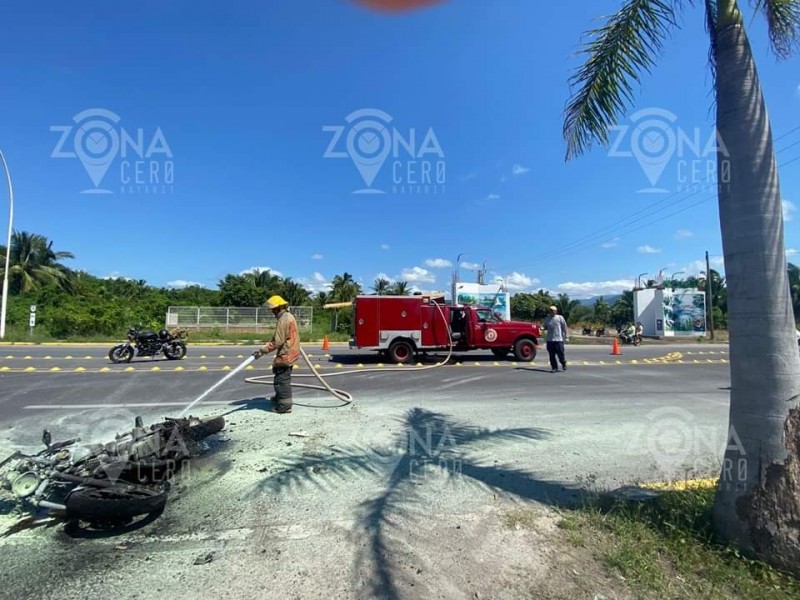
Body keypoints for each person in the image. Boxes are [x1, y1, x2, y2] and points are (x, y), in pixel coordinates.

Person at [252, 295, 301, 414]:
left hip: (287, 353)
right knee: (280, 375)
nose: (272, 312)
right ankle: (279, 398)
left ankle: (285, 405)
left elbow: (277, 342)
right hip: (291, 351)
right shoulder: (288, 316)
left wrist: (262, 350)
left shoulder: (283, 320)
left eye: (273, 309)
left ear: (278, 308)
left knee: (281, 379)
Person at [544, 305, 569, 373]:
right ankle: (554, 367)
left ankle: (563, 363)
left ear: (556, 311)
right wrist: (542, 328)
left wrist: (566, 336)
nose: (552, 312)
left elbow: (565, 327)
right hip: (550, 340)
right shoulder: (547, 318)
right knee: (551, 355)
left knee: (561, 354)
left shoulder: (560, 318)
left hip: (558, 339)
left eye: (553, 310)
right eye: (550, 310)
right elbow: (545, 327)